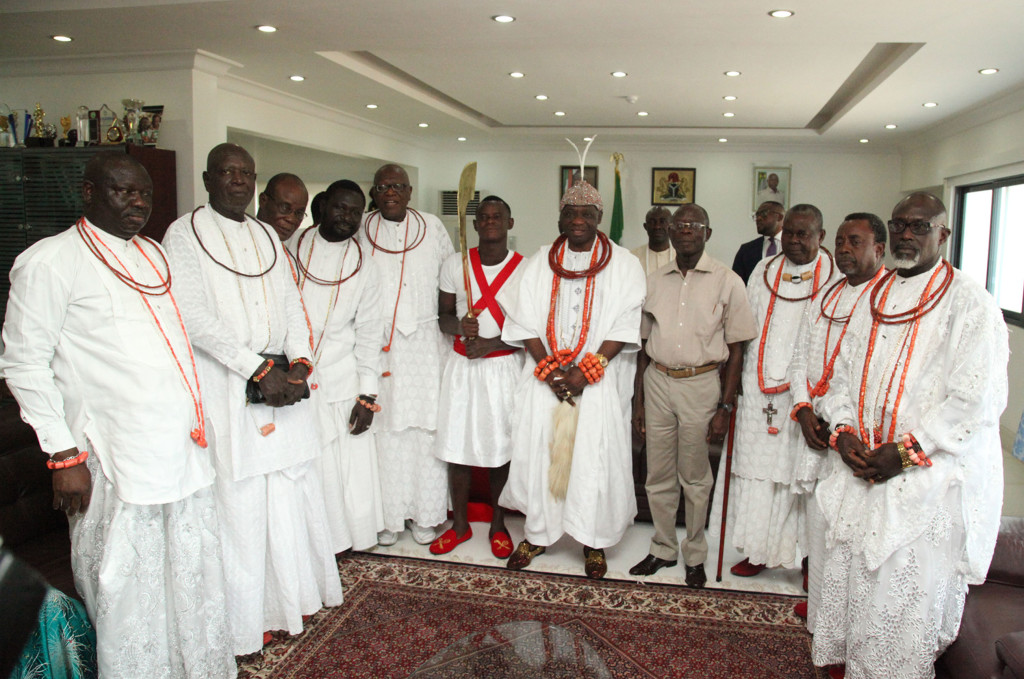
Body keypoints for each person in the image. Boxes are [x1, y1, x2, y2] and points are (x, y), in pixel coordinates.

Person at [0, 152, 235, 677]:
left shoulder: (152, 254)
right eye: (122, 191)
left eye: (144, 194)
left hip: (179, 447)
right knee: (127, 584)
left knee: (189, 574)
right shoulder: (49, 260)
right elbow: (23, 363)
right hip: (113, 454)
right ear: (87, 193)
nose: (137, 203)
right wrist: (63, 456)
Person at [810, 193, 1008, 679]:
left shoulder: (971, 303)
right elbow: (840, 377)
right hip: (862, 470)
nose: (906, 235)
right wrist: (842, 433)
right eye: (899, 225)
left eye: (920, 227)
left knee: (898, 605)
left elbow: (973, 400)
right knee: (854, 585)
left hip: (922, 481)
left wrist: (904, 452)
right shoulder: (873, 296)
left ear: (943, 235)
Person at [162, 143, 342, 656]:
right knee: (240, 507)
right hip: (228, 383)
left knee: (290, 492)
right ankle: (245, 624)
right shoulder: (183, 233)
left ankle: (293, 601)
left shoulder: (267, 233)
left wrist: (301, 363)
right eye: (227, 172)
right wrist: (257, 369)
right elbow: (192, 317)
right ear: (207, 178)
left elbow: (291, 303)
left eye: (245, 173)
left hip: (282, 379)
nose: (237, 180)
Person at [499, 173, 645, 579]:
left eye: (586, 213)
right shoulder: (539, 260)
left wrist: (586, 371)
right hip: (546, 379)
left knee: (593, 459)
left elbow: (625, 323)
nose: (577, 219)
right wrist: (547, 369)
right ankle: (538, 533)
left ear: (599, 216)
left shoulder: (625, 264)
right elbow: (522, 318)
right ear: (559, 217)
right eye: (570, 213)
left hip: (596, 382)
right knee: (540, 454)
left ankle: (593, 540)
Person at [630, 204, 756, 587]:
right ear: (668, 232)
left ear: (708, 233)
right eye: (678, 225)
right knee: (658, 473)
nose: (685, 231)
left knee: (696, 477)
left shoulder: (728, 281)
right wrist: (638, 402)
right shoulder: (653, 281)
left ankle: (695, 553)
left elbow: (737, 349)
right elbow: (641, 344)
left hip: (701, 385)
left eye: (693, 226)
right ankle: (662, 547)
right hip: (657, 381)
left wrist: (725, 405)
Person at [716, 203, 839, 579]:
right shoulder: (763, 270)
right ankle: (757, 551)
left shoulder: (836, 278)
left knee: (799, 479)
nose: (795, 240)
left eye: (805, 234)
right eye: (790, 232)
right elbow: (743, 329)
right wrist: (733, 385)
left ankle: (805, 559)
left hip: (807, 396)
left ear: (821, 236)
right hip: (758, 392)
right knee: (755, 475)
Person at [788, 213, 887, 624]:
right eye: (842, 241)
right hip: (815, 429)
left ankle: (850, 625)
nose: (844, 249)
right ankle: (822, 611)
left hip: (855, 437)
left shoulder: (888, 300)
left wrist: (837, 418)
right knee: (818, 524)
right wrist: (803, 408)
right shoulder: (826, 296)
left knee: (852, 536)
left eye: (856, 242)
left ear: (879, 249)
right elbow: (799, 360)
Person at [355, 163, 454, 546]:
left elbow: (450, 280)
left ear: (410, 191)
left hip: (427, 345)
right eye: (382, 186)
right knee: (385, 432)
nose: (390, 192)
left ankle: (426, 516)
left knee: (426, 429)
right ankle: (389, 519)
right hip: (380, 346)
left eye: (397, 186)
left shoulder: (432, 226)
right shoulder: (361, 229)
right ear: (373, 193)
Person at [288, 179, 385, 553]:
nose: (347, 218)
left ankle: (344, 542)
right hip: (294, 378)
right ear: (323, 206)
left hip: (342, 378)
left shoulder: (366, 266)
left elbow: (369, 332)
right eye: (341, 208)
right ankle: (306, 545)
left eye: (356, 212)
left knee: (346, 472)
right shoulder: (290, 248)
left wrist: (367, 394)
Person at [432, 195, 524, 558]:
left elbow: (530, 326)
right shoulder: (455, 264)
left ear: (509, 223)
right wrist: (460, 326)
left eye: (496, 217)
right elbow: (442, 317)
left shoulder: (524, 268)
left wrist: (491, 343)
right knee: (458, 446)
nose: (489, 222)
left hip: (503, 367)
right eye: (483, 218)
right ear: (473, 226)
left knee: (501, 448)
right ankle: (460, 525)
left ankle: (500, 524)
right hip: (462, 367)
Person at [732, 201, 784, 285]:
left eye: (764, 214)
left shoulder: (794, 247)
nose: (758, 218)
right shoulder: (746, 250)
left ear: (779, 217)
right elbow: (736, 285)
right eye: (757, 215)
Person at [257, 172, 309, 242]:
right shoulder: (241, 241)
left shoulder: (285, 252)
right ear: (263, 201)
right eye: (285, 208)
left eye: (299, 213)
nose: (291, 219)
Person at [630, 206, 675, 276]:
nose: (657, 226)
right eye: (652, 222)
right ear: (645, 227)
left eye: (662, 222)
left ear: (671, 226)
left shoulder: (681, 257)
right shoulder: (633, 257)